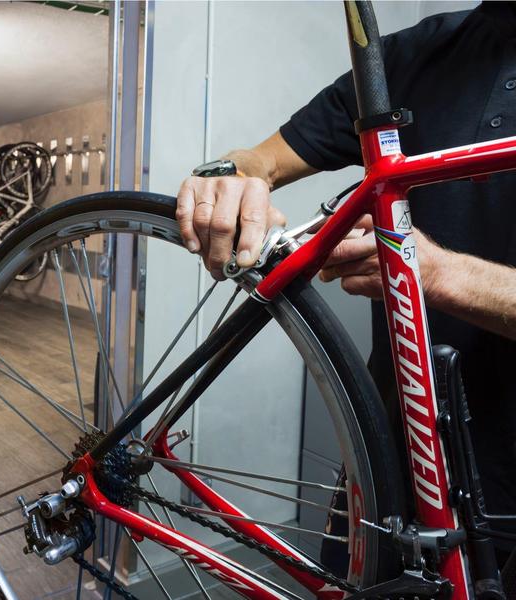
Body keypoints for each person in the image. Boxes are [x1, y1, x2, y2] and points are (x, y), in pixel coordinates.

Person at [175, 1, 516, 569]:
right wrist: (226, 179)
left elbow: (437, 271)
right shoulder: (421, 52)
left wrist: (439, 274)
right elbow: (260, 160)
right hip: (393, 466)